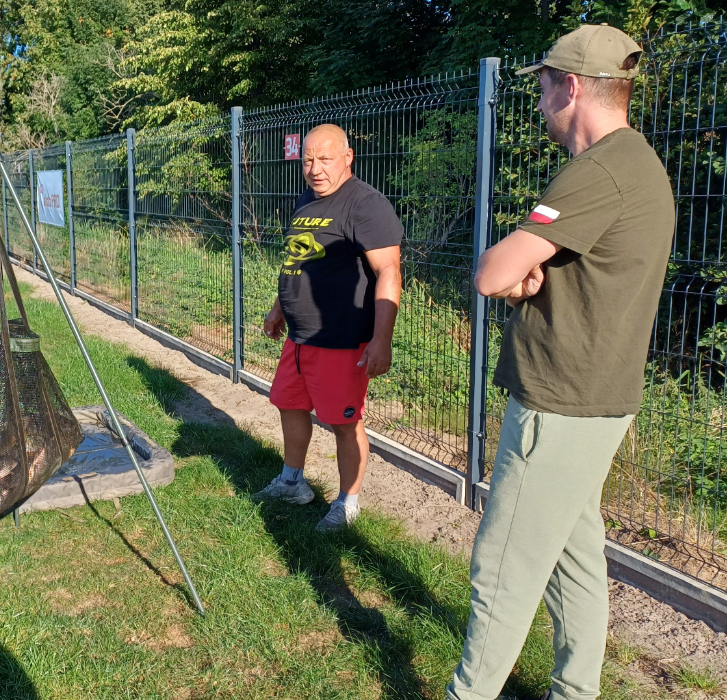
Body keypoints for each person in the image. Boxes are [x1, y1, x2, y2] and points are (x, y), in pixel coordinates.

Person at [447, 25, 672, 700]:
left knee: (502, 567)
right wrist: (522, 273)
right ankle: (576, 692)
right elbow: (530, 274)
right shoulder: (632, 163)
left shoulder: (599, 170)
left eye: (544, 86)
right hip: (595, 398)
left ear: (571, 86)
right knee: (575, 562)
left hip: (560, 403)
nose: (540, 101)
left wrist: (512, 270)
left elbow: (493, 274)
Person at [254, 123, 403, 533]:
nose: (315, 168)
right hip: (300, 337)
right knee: (290, 404)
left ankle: (347, 502)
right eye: (308, 160)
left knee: (343, 422)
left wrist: (381, 340)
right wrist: (279, 308)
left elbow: (389, 271)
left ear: (348, 158)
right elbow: (299, 260)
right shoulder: (307, 198)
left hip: (340, 340)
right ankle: (292, 482)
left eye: (325, 159)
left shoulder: (365, 204)